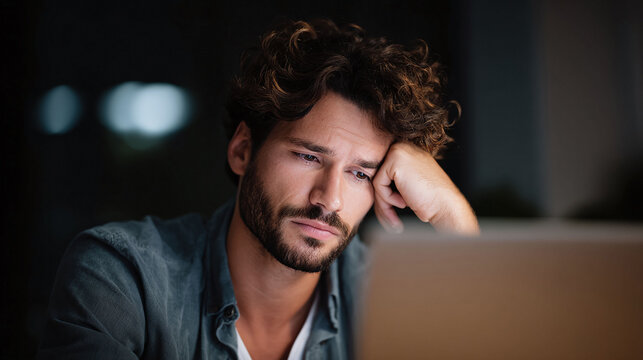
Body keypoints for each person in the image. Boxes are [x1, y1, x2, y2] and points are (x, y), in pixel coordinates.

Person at [37, 19, 478, 360]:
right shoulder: (121, 278)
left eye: (361, 174)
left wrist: (454, 219)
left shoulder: (394, 298)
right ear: (243, 151)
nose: (330, 198)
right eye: (308, 156)